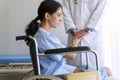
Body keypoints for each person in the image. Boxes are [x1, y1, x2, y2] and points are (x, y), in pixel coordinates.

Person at [25, 0, 85, 76]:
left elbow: (63, 51)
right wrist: (75, 42)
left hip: (55, 69)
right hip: (54, 73)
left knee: (82, 70)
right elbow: (71, 55)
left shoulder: (43, 35)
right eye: (58, 15)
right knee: (103, 71)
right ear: (47, 16)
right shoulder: (44, 37)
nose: (61, 19)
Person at [62, 0, 115, 80]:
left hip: (92, 36)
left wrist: (88, 29)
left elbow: (100, 11)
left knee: (96, 70)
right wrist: (72, 28)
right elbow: (65, 10)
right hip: (74, 35)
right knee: (77, 73)